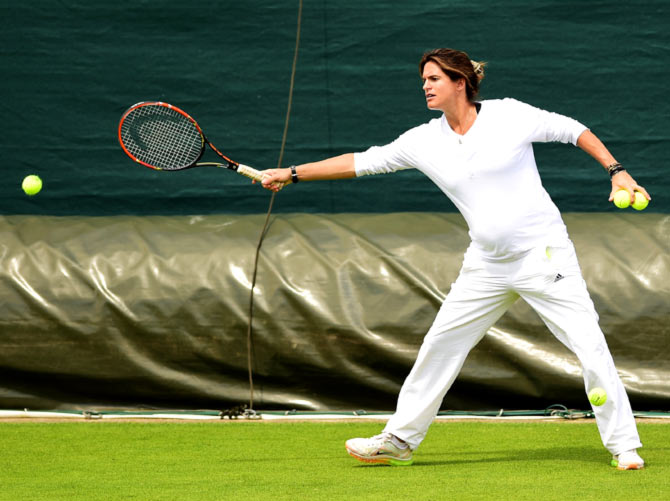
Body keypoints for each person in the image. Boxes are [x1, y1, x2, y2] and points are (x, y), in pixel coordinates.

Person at [260, 48, 650, 470]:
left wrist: (617, 171)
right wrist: (293, 173)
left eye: (433, 79)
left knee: (589, 346)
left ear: (460, 82)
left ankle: (623, 446)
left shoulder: (510, 115)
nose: (425, 86)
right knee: (440, 345)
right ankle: (400, 439)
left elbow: (573, 130)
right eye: (423, 80)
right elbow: (363, 161)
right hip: (485, 264)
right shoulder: (423, 141)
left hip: (544, 254)